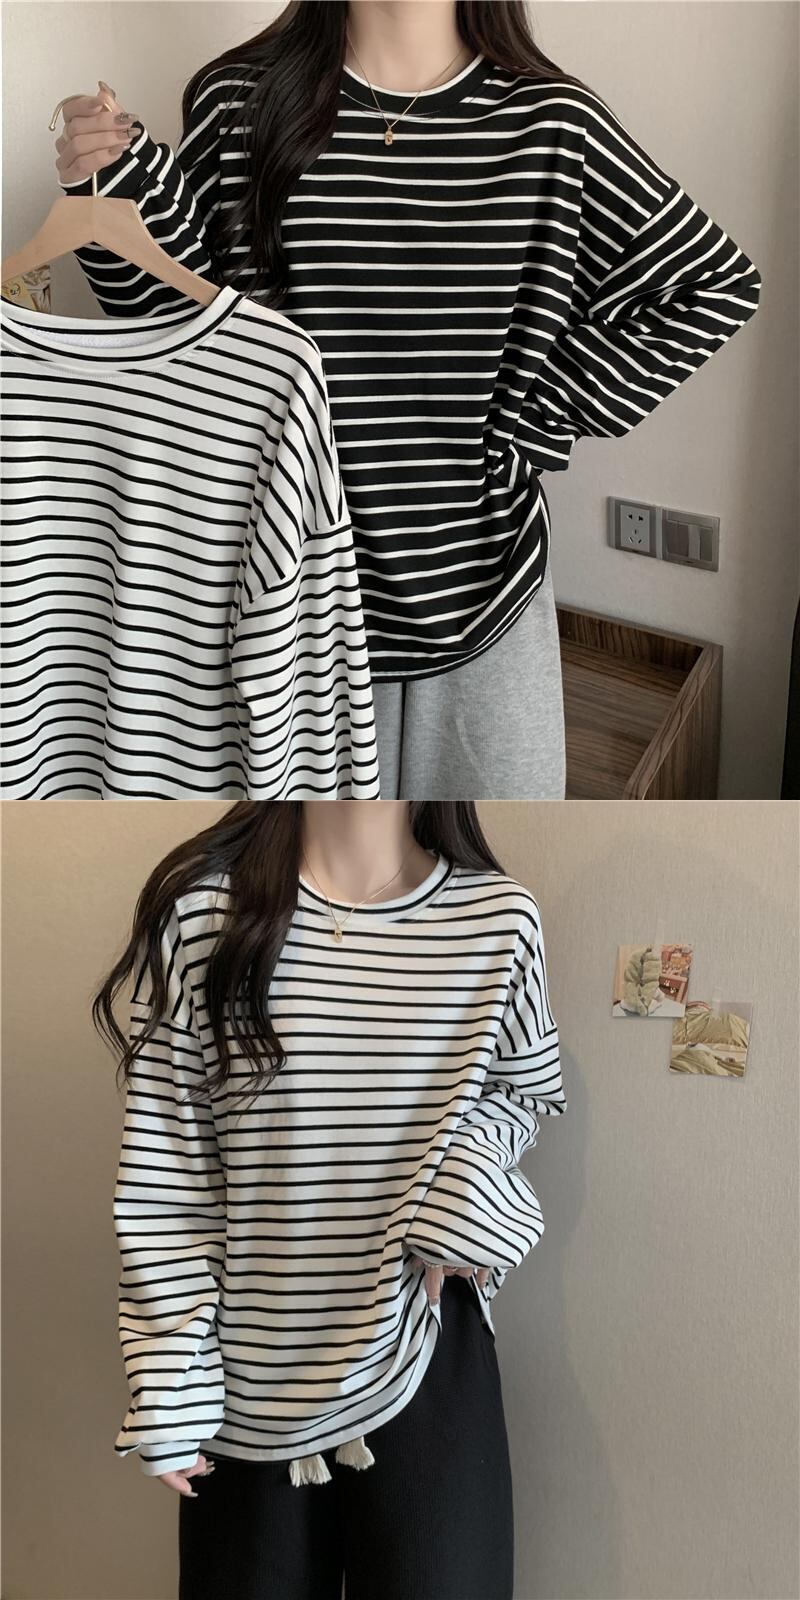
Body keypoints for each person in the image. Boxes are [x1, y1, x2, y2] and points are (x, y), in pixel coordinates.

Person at [56, 0, 761, 800]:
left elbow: (710, 284)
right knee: (287, 868)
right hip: (285, 604)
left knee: (496, 856)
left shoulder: (552, 124)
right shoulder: (240, 101)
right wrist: (102, 192)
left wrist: (530, 421)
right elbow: (185, 340)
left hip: (480, 597)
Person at [93, 798, 567, 1600]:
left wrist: (462, 1190)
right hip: (246, 1372)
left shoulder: (498, 921)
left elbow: (525, 1092)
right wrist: (170, 1377)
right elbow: (169, 1175)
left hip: (423, 1341)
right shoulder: (204, 915)